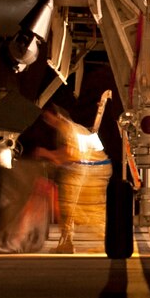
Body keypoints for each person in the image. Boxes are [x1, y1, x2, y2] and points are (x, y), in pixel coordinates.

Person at [33, 92, 113, 253]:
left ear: (55, 115)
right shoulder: (72, 129)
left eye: (46, 116)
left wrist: (46, 154)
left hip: (88, 168)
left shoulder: (67, 129)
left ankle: (69, 243)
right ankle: (104, 240)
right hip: (94, 167)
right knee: (87, 207)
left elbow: (72, 155)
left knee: (72, 207)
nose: (45, 120)